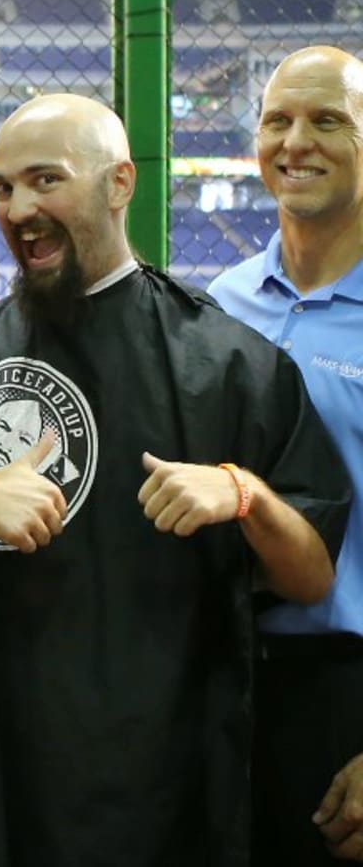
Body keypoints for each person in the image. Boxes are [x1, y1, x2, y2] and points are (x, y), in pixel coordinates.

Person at [0, 93, 352, 867]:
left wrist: (244, 493)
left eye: (46, 181)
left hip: (149, 783)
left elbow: (310, 575)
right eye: (2, 189)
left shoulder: (229, 364)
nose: (19, 209)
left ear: (120, 184)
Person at [207, 45, 363, 865]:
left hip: (347, 690)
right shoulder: (220, 304)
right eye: (278, 121)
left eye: (328, 121)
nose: (296, 141)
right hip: (224, 680)